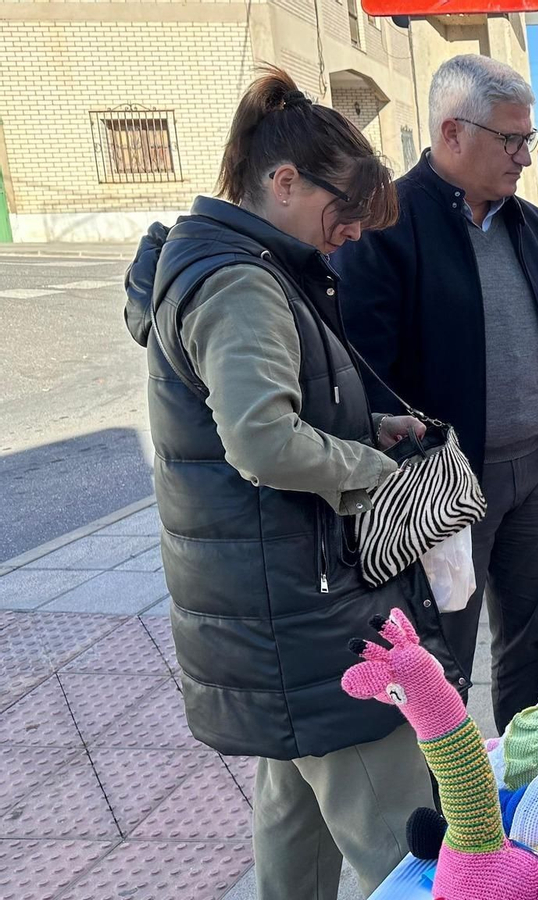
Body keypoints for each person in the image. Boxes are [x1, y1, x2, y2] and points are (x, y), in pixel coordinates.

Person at [124, 68, 461, 900]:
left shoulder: (240, 265)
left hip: (276, 613)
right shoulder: (242, 282)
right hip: (306, 620)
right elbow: (262, 442)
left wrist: (363, 425)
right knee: (409, 850)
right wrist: (375, 471)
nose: (348, 234)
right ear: (282, 182)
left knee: (295, 832)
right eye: (339, 213)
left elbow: (266, 410)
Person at [333, 54, 538, 734]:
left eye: (527, 138)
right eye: (511, 139)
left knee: (525, 639)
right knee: (440, 657)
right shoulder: (386, 225)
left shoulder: (535, 228)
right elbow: (362, 368)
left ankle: (524, 765)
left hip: (534, 470)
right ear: (452, 133)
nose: (525, 156)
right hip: (442, 484)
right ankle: (451, 811)